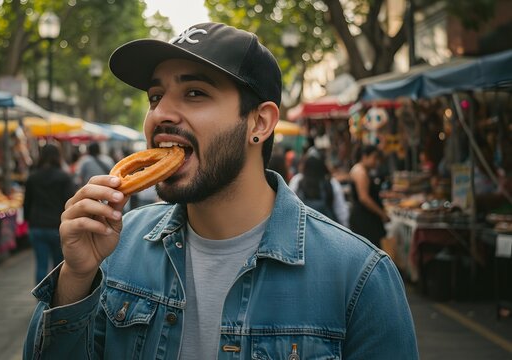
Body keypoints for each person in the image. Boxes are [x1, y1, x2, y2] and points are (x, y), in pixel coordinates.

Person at [24, 22, 418, 359]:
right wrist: (76, 277)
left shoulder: (360, 279)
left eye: (195, 93)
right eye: (155, 97)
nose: (160, 113)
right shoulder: (115, 248)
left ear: (259, 123)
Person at [23, 144, 77, 285]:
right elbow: (71, 201)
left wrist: (27, 220)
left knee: (41, 264)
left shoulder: (33, 177)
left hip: (37, 225)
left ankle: (40, 301)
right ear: (58, 157)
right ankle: (54, 299)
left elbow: (26, 202)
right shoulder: (64, 177)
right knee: (58, 266)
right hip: (57, 226)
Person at [289, 154, 350, 227]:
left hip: (303, 227)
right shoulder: (332, 183)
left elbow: (290, 204)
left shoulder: (297, 181)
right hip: (327, 229)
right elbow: (341, 212)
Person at [349, 144, 390, 248]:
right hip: (365, 220)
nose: (376, 161)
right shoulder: (361, 172)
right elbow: (364, 198)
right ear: (364, 156)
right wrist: (382, 214)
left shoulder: (360, 170)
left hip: (365, 218)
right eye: (374, 157)